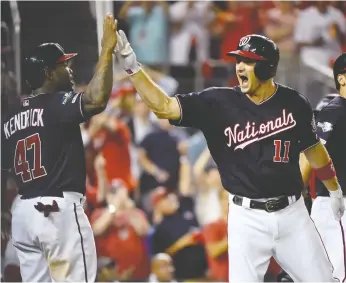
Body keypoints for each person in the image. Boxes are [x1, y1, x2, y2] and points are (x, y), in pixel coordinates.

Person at [113, 30, 345, 281]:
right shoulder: (217, 102)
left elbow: (314, 150)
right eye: (238, 61)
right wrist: (133, 69)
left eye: (248, 62)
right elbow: (164, 107)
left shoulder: (294, 102)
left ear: (268, 68)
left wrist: (333, 189)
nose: (240, 67)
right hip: (246, 218)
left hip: (292, 215)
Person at [1, 14, 118, 282]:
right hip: (56, 213)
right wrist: (107, 51)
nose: (70, 70)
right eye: (63, 65)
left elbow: (2, 167)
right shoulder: (55, 104)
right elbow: (97, 100)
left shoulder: (10, 116)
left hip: (23, 215)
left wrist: (3, 212)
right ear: (48, 73)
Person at [300, 53, 346, 281]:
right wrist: (295, 196)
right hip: (334, 205)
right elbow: (311, 153)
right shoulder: (334, 109)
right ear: (342, 79)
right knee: (337, 273)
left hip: (334, 205)